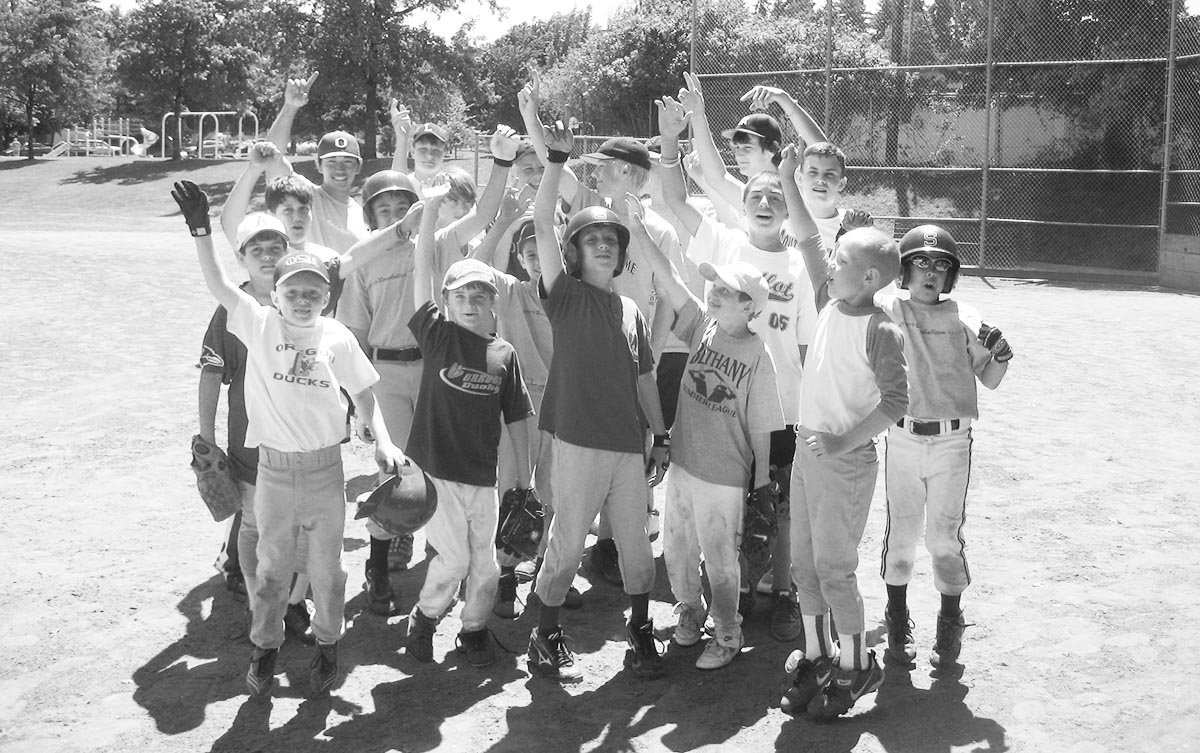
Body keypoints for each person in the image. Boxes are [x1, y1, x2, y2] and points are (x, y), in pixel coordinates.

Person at [172, 180, 407, 698]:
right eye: (292, 291)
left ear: (327, 296)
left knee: (328, 572)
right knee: (271, 570)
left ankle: (327, 643)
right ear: (273, 294)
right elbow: (216, 283)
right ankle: (266, 644)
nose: (303, 299)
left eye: (314, 292)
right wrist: (200, 230)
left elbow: (365, 392)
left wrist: (383, 441)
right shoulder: (256, 324)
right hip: (274, 471)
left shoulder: (337, 336)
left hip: (325, 472)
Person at [337, 127, 519, 614]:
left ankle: (445, 550)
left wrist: (500, 164)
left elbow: (482, 214)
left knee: (444, 460)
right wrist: (355, 401)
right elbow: (350, 335)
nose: (398, 216)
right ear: (372, 216)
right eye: (386, 210)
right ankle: (381, 559)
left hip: (439, 368)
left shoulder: (437, 242)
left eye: (405, 207)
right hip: (387, 372)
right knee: (395, 469)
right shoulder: (364, 262)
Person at [657, 95, 814, 643]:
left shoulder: (799, 264)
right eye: (756, 195)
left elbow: (807, 345)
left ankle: (784, 589)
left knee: (779, 502)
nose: (766, 201)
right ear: (741, 204)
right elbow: (674, 199)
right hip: (721, 403)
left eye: (776, 194)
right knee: (724, 496)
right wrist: (673, 136)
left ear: (788, 207)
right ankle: (737, 592)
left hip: (780, 407)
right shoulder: (723, 239)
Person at [634, 112, 786, 668]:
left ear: (750, 305)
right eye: (715, 292)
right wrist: (640, 230)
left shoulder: (758, 355)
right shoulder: (702, 326)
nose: (715, 297)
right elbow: (672, 284)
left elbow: (766, 425)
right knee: (677, 549)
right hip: (685, 465)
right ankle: (690, 614)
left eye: (725, 294)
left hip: (725, 474)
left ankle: (727, 631)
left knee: (722, 558)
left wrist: (764, 484)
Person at [525, 120, 670, 683]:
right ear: (575, 251)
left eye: (612, 238)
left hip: (627, 446)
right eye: (593, 238)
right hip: (580, 441)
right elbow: (541, 223)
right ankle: (546, 634)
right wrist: (556, 161)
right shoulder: (566, 297)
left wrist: (661, 437)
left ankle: (638, 630)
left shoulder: (630, 312)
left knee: (635, 545)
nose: (605, 243)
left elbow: (643, 381)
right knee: (567, 540)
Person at [519, 72, 678, 580]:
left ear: (630, 174)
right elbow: (553, 180)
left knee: (633, 454)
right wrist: (531, 122)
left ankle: (614, 542)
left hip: (633, 347)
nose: (597, 175)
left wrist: (646, 354)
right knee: (583, 452)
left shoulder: (658, 230)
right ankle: (571, 547)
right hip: (583, 337)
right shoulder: (590, 215)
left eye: (605, 168)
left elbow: (667, 297)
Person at [776, 144, 908, 719]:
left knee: (834, 568)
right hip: (811, 453)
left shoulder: (881, 329)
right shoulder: (831, 297)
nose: (830, 261)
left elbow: (896, 405)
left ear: (871, 276)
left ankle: (858, 666)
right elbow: (807, 237)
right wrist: (785, 177)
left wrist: (841, 442)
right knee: (805, 567)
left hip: (843, 460)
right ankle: (816, 653)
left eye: (843, 259)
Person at [402, 177, 535, 668]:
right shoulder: (437, 335)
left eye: (480, 295)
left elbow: (518, 415)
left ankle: (474, 629)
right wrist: (432, 212)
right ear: (448, 300)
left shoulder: (503, 353)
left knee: (486, 565)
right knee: (454, 559)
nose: (471, 303)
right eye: (460, 295)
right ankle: (425, 617)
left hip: (482, 475)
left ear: (493, 301)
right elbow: (422, 269)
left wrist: (522, 477)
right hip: (435, 469)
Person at [877, 224, 1012, 668]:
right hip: (901, 434)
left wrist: (1002, 356)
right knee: (901, 535)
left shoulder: (962, 316)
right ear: (904, 269)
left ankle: (949, 622)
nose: (930, 272)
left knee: (942, 539)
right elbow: (863, 284)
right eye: (920, 262)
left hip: (952, 441)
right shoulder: (889, 307)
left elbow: (989, 380)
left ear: (950, 275)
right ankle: (897, 618)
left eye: (940, 265)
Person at [199, 213, 317, 644]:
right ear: (242, 257)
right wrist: (206, 438)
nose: (267, 257)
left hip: (304, 441)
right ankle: (260, 598)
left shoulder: (307, 301)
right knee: (255, 523)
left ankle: (294, 602)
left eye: (276, 248)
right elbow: (211, 372)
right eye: (257, 250)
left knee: (302, 525)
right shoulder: (233, 309)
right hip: (251, 441)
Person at [264, 72, 369, 254]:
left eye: (347, 162)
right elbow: (272, 159)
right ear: (319, 165)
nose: (340, 169)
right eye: (331, 162)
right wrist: (290, 107)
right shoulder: (308, 199)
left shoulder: (365, 215)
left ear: (358, 166)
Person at [389, 98, 451, 196]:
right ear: (412, 151)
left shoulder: (455, 190)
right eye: (423, 149)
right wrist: (402, 137)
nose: (429, 156)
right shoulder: (405, 186)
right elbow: (397, 186)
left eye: (436, 150)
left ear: (444, 152)